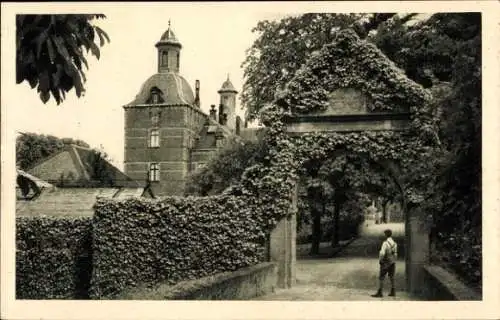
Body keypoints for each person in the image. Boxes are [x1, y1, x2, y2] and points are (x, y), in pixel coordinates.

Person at [371, 229, 398, 297]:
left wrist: (381, 260)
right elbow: (395, 254)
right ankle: (393, 291)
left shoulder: (385, 243)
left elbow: (382, 253)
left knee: (381, 277)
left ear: (386, 235)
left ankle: (380, 292)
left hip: (385, 262)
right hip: (392, 262)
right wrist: (394, 260)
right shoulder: (395, 244)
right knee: (392, 277)